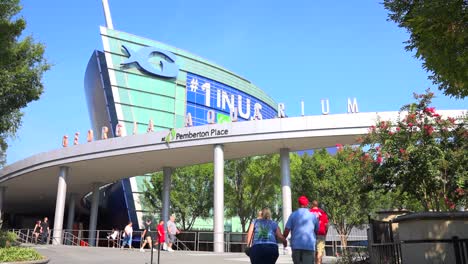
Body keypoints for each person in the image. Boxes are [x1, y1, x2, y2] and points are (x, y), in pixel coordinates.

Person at [283, 196, 319, 264]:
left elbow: (287, 230)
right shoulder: (313, 216)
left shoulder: (293, 215)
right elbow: (317, 230)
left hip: (296, 246)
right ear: (307, 204)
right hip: (309, 245)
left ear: (298, 204)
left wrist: (283, 239)